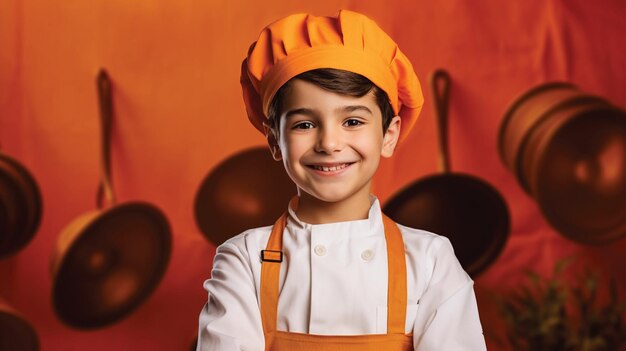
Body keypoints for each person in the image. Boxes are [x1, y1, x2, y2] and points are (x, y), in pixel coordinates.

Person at [197, 10, 487, 351]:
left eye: (352, 121)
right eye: (304, 124)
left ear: (388, 135)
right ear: (275, 141)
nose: (329, 143)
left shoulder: (430, 261)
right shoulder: (244, 260)